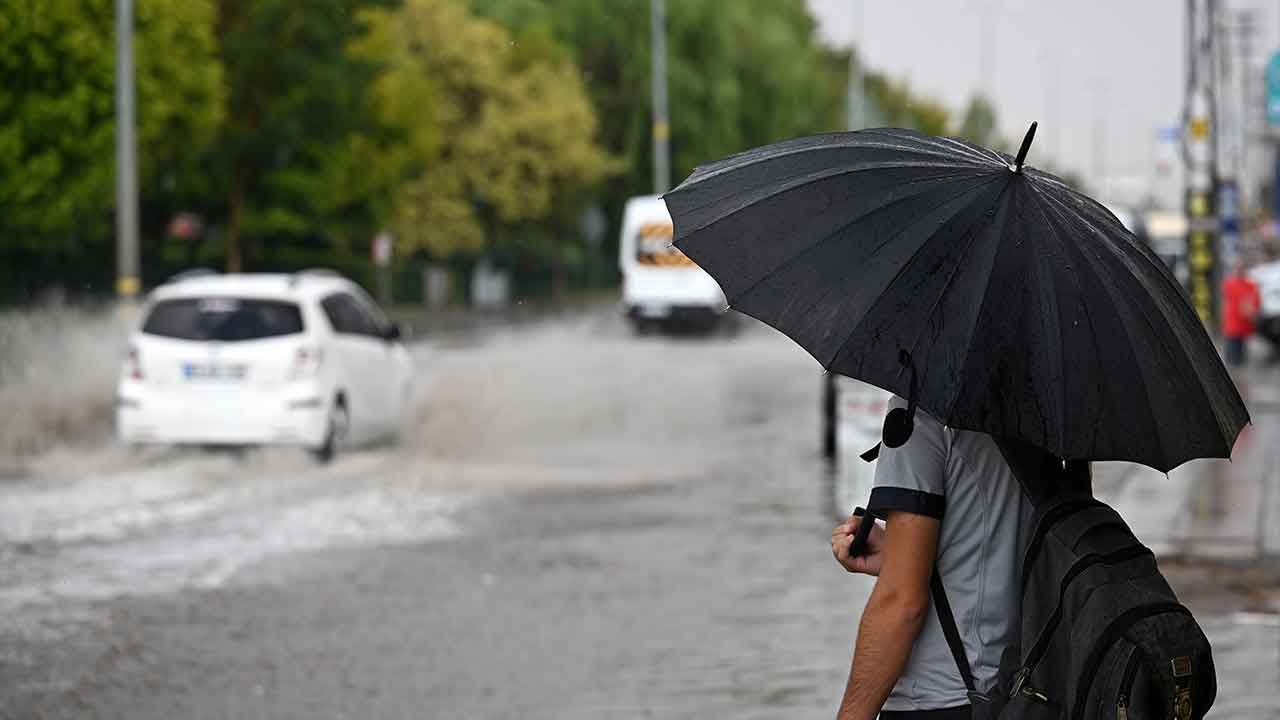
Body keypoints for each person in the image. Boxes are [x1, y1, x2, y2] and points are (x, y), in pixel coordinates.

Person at [829, 396, 1035, 720]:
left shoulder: (918, 414)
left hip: (936, 699)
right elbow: (1006, 549)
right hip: (1021, 693)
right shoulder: (1043, 410)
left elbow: (902, 603)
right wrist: (897, 556)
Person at [1221, 257, 1260, 368]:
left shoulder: (1250, 285)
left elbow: (1255, 303)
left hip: (1243, 325)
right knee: (1234, 358)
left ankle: (1238, 379)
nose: (1239, 270)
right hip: (1233, 325)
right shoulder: (1230, 284)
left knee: (1240, 357)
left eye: (1241, 268)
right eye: (1238, 268)